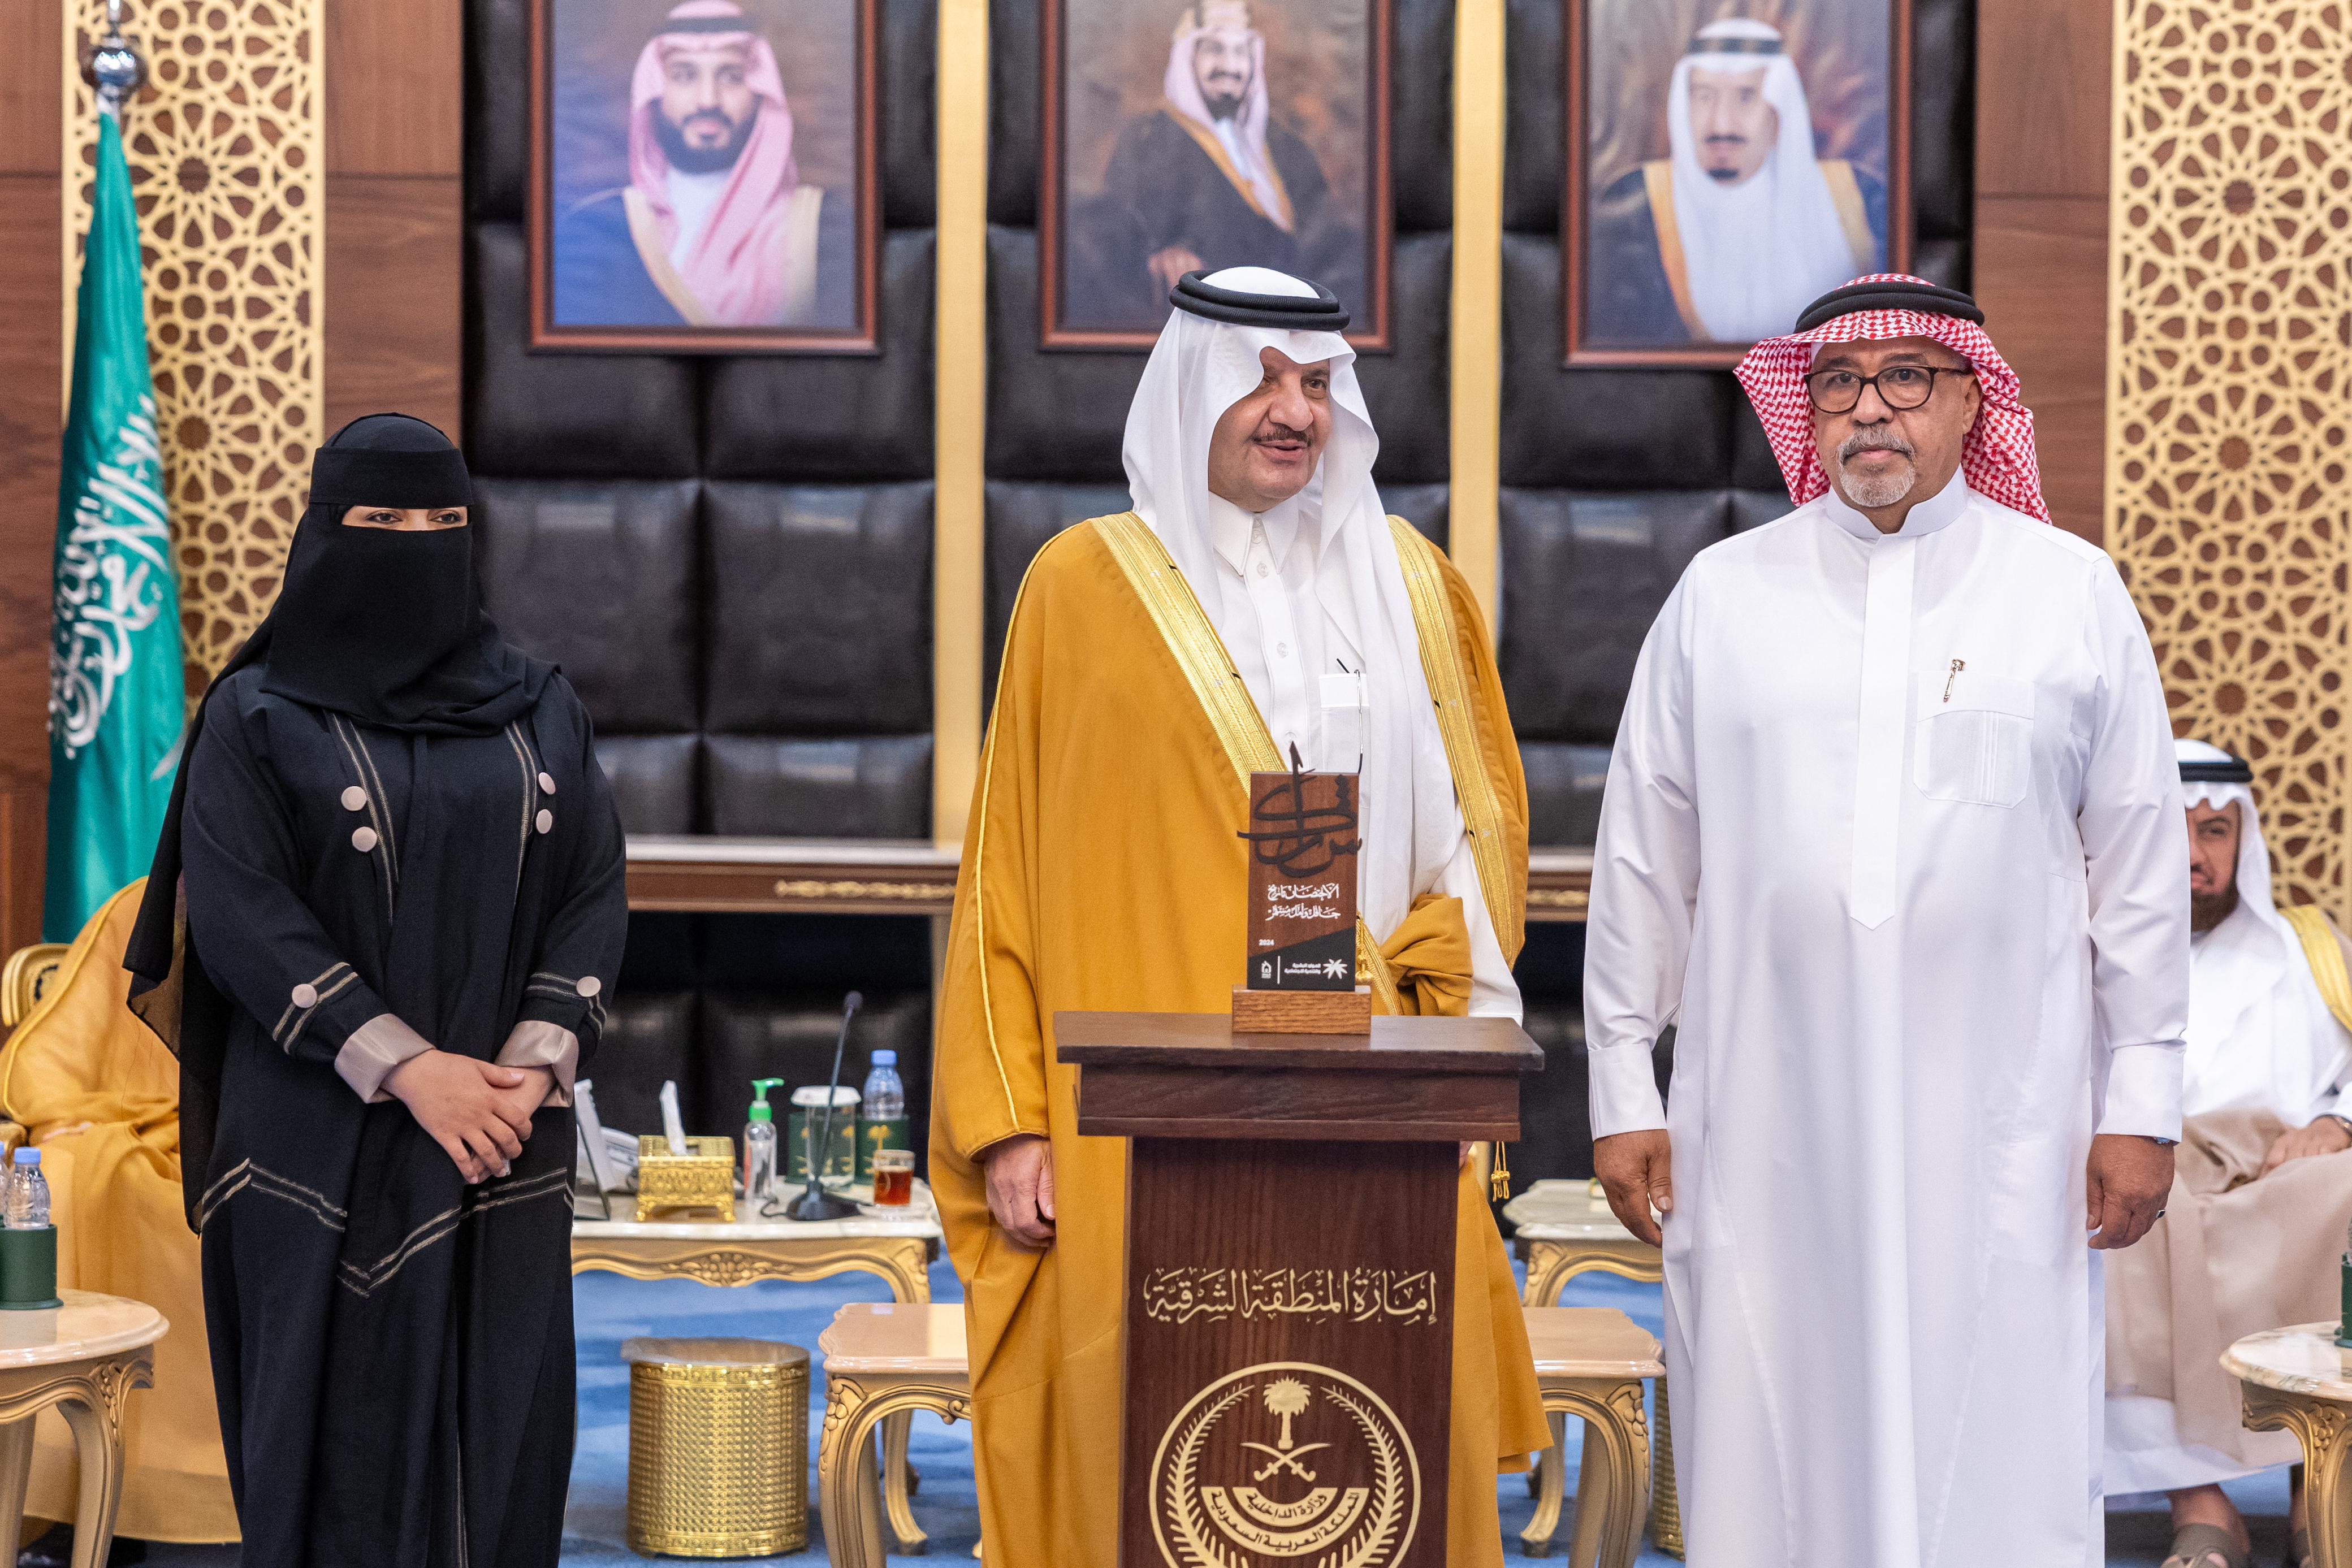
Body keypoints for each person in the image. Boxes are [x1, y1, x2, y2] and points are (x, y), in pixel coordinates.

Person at [930, 266, 1548, 1563]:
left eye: (1317, 384)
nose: (1294, 412)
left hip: (1376, 1097)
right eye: (1260, 380)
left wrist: (1466, 1072)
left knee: (1376, 1449)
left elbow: (1469, 844)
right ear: (1188, 390)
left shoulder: (1412, 584)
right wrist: (1009, 1121)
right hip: (1131, 1121)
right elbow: (1003, 873)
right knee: (1148, 1452)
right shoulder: (1082, 585)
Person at [1583, 273, 2187, 1566]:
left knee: (1996, 1414)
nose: (1869, 409)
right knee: (1770, 1413)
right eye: (1838, 383)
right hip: (1763, 1108)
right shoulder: (1721, 595)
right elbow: (1643, 856)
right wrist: (1622, 1087)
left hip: (2005, 1115)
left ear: (1972, 399)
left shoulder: (2068, 591)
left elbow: (2137, 862)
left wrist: (2141, 1100)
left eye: (1907, 377)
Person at [122, 414, 629, 1568]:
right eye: (383, 517)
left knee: (501, 1451)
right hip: (318, 1146)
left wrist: (529, 1065)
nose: (417, 540)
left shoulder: (541, 706)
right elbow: (246, 918)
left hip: (502, 1136)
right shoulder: (255, 717)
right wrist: (411, 1069)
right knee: (340, 1460)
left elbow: (592, 886)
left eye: (443, 517)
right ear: (323, 532)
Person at [2103, 740, 2352, 1568]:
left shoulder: (2310, 949)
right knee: (2112, 1211)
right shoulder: (2095, 955)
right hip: (2159, 1171)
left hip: (2286, 1170)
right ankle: (2204, 1510)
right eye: (2169, 831)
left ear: (2244, 837)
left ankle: (2321, 1501)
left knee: (2344, 1188)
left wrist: (2338, 1122)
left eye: (2212, 830)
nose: (2190, 854)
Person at [553, 0, 852, 330]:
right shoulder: (597, 228)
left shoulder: (824, 227)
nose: (708, 100)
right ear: (654, 92)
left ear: (761, 95)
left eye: (732, 77)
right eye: (683, 76)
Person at [1586, 18, 1881, 347]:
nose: (1722, 124)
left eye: (1746, 97)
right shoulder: (1636, 205)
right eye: (1704, 97)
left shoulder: (1860, 198)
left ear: (1779, 110)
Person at [1073, 1, 1360, 329]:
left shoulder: (1287, 148)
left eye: (1241, 52)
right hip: (1202, 325)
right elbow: (1112, 239)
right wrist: (1158, 258)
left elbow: (1325, 238)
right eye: (1215, 50)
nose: (1230, 66)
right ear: (1187, 57)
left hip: (1286, 325)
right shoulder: (1146, 141)